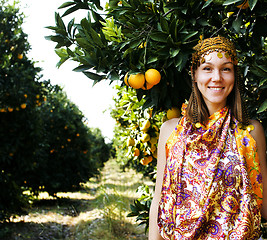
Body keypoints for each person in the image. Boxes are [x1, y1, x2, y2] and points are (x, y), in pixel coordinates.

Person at [149, 36, 267, 239]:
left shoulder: (250, 132)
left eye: (226, 69)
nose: (217, 77)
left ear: (234, 76)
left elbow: (263, 203)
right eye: (207, 68)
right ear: (194, 75)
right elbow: (159, 198)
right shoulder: (171, 131)